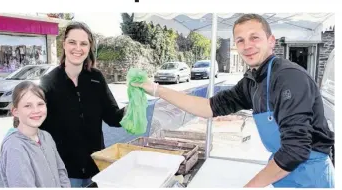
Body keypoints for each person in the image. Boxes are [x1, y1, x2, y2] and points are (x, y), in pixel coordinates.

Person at [132, 14, 335, 188]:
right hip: (285, 172)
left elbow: (295, 150)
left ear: (271, 41)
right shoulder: (252, 81)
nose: (247, 46)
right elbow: (208, 107)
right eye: (240, 40)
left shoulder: (288, 77)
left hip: (311, 175)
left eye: (254, 37)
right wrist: (156, 89)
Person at [39, 22, 125, 187]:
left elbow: (113, 117)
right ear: (64, 44)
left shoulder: (96, 79)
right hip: (64, 173)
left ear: (89, 47)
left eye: (83, 43)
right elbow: (37, 125)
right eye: (72, 42)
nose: (77, 48)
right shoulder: (48, 82)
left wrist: (134, 107)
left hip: (97, 168)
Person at [0, 81, 70, 187]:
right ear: (15, 111)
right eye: (28, 106)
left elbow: (61, 171)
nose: (36, 110)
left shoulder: (46, 136)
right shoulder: (15, 147)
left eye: (40, 104)